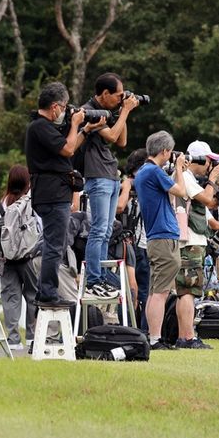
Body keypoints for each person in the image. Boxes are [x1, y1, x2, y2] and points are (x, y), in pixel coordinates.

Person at [26, 82, 105, 307]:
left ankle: (47, 291)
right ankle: (48, 292)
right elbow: (69, 149)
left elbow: (67, 150)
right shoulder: (40, 127)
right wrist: (75, 123)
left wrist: (85, 130)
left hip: (54, 192)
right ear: (54, 107)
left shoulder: (45, 128)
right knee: (55, 245)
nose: (65, 111)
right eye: (63, 107)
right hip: (52, 193)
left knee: (57, 243)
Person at [81, 73, 140, 297]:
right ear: (104, 94)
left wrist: (122, 112)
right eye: (117, 95)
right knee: (98, 229)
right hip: (97, 175)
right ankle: (93, 279)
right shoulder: (89, 112)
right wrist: (124, 111)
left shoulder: (110, 110)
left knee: (106, 231)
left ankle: (102, 276)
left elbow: (122, 141)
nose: (120, 99)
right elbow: (113, 136)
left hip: (111, 175)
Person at [134, 131, 189, 350]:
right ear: (165, 151)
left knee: (156, 290)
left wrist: (176, 171)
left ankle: (153, 336)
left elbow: (170, 194)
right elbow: (182, 192)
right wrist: (178, 169)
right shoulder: (153, 172)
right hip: (164, 237)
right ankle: (155, 339)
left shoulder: (144, 172)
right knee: (161, 292)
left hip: (157, 236)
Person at [174, 140, 219, 349]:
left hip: (191, 241)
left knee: (186, 291)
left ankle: (184, 336)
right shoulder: (185, 177)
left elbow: (209, 214)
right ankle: (188, 338)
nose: (210, 166)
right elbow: (207, 199)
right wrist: (213, 180)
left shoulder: (188, 179)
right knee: (188, 291)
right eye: (209, 161)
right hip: (189, 242)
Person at [0, 165, 38, 351]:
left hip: (7, 260)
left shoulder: (2, 204)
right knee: (33, 297)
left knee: (11, 299)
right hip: (29, 257)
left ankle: (13, 340)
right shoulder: (31, 203)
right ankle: (33, 337)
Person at [116, 149, 150, 330]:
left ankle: (143, 330)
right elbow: (119, 208)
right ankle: (127, 328)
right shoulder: (124, 186)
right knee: (130, 290)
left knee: (146, 291)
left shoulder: (146, 186)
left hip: (145, 244)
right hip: (126, 245)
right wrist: (127, 187)